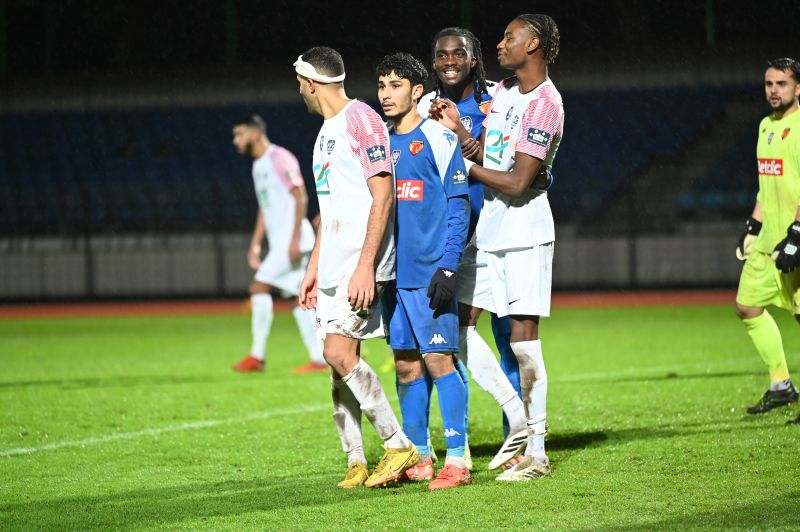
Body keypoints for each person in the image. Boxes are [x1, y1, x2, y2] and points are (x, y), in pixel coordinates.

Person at [430, 13, 564, 481]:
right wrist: (459, 133)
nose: (500, 44)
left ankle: (537, 454)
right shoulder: (504, 93)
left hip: (525, 232)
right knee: (457, 325)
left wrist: (463, 167)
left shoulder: (545, 103)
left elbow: (518, 181)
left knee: (524, 341)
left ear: (534, 44)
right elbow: (484, 152)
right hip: (489, 230)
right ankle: (516, 414)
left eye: (509, 37)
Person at [294, 46, 418, 488]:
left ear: (312, 83)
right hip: (334, 263)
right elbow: (330, 209)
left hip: (359, 264)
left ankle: (398, 445)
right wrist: (313, 266)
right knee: (338, 364)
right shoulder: (324, 133)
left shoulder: (360, 119)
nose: (300, 91)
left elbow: (383, 195)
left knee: (337, 353)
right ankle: (356, 460)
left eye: (301, 84)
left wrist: (366, 266)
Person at [418, 27, 526, 444]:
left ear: (473, 59)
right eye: (442, 55)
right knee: (447, 337)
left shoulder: (498, 99)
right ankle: (451, 440)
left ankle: (515, 436)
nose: (450, 61)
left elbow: (502, 162)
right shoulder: (422, 106)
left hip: (498, 229)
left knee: (510, 338)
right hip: (451, 237)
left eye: (458, 54)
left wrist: (461, 133)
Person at [377, 52, 471, 490]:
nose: (386, 94)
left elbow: (458, 204)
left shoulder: (437, 137)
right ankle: (420, 455)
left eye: (395, 85)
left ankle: (458, 460)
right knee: (405, 366)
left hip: (431, 273)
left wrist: (449, 267)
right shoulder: (380, 143)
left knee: (439, 362)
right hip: (393, 277)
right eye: (381, 85)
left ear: (417, 91)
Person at [230, 115, 326, 374]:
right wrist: (255, 243)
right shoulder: (257, 166)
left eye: (240, 134)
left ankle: (257, 356)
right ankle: (319, 359)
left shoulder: (279, 157)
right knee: (299, 300)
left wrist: (294, 239)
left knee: (258, 287)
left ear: (254, 132)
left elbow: (300, 196)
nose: (236, 140)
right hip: (283, 243)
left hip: (293, 241)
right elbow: (265, 207)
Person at [735, 57, 800, 418]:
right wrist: (753, 225)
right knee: (747, 306)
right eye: (769, 84)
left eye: (782, 84)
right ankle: (781, 386)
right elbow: (767, 183)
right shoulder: (765, 126)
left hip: (794, 239)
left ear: (798, 88)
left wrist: (796, 235)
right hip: (768, 242)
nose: (774, 90)